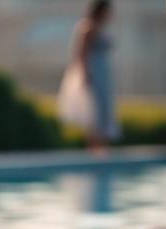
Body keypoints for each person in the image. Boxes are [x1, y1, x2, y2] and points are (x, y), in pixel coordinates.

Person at [57, 0, 119, 152]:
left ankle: (103, 150)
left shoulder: (100, 28)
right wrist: (86, 76)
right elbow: (81, 54)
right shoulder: (88, 28)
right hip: (94, 75)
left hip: (103, 75)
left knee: (104, 113)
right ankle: (95, 151)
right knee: (94, 114)